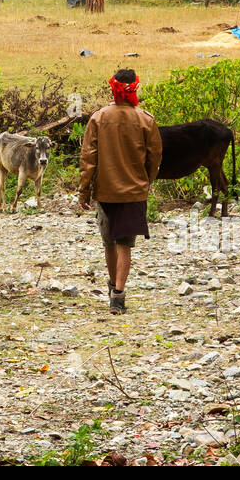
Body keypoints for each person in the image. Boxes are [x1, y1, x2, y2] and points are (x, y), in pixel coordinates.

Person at [77, 68, 163, 315]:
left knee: (109, 243)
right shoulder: (147, 120)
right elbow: (154, 158)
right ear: (134, 88)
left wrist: (84, 191)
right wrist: (146, 181)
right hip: (134, 192)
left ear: (113, 88)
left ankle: (112, 286)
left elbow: (88, 158)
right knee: (125, 244)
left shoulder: (99, 118)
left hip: (105, 191)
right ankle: (118, 296)